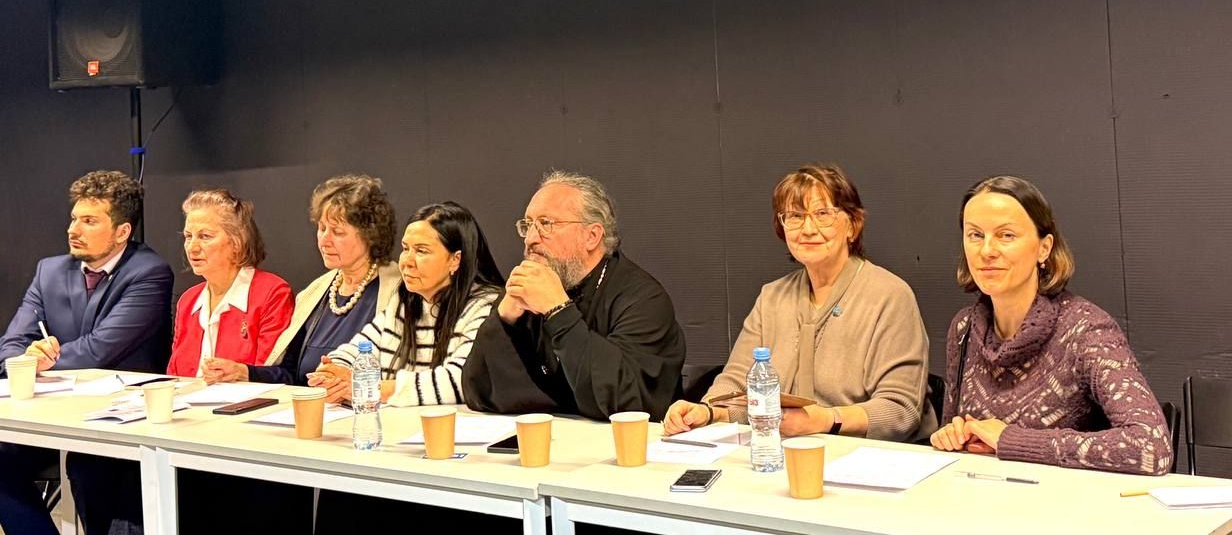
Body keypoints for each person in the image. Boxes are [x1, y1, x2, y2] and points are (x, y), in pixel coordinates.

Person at [663, 164, 934, 442]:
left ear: (852, 225)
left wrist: (825, 420)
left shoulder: (889, 296)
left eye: (822, 214)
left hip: (866, 455)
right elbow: (738, 385)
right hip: (780, 449)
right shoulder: (772, 298)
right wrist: (707, 411)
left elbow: (900, 410)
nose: (808, 229)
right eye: (795, 216)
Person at [930, 175, 1173, 475]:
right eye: (975, 235)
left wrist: (1011, 440)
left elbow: (1152, 447)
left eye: (1006, 235)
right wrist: (951, 436)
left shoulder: (1086, 330)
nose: (987, 250)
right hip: (986, 494)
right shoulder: (964, 329)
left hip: (1066, 500)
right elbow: (956, 441)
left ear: (1044, 248)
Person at [0, 170, 173, 535]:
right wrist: (26, 359)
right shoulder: (49, 270)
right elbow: (12, 343)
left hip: (124, 419)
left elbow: (100, 349)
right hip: (54, 411)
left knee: (91, 471)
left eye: (89, 221)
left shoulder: (149, 271)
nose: (73, 229)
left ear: (122, 232)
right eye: (74, 218)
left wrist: (42, 361)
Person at [463, 171, 686, 420]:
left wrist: (559, 311)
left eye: (546, 224)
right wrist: (503, 320)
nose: (531, 239)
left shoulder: (643, 300)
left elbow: (625, 403)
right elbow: (477, 392)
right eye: (528, 225)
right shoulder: (527, 291)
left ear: (592, 236)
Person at [200, 174, 400, 386]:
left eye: (338, 232)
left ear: (371, 235)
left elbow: (402, 381)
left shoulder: (399, 292)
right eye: (321, 228)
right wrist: (243, 372)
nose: (324, 240)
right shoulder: (315, 293)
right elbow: (289, 375)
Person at [309, 201, 502, 405]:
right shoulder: (405, 301)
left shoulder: (485, 306)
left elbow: (461, 380)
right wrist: (333, 374)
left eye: (421, 251)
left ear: (455, 260)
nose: (407, 261)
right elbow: (358, 349)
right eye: (405, 248)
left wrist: (368, 387)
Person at [167, 188, 293, 376]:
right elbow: (174, 376)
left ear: (237, 242)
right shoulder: (188, 301)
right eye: (188, 236)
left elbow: (269, 374)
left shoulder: (272, 293)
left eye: (205, 236)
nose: (192, 247)